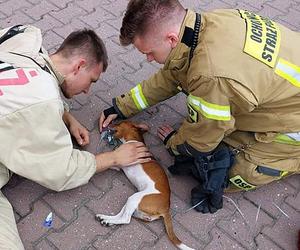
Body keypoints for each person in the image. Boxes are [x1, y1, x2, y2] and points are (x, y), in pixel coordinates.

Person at [99, 0, 300, 214]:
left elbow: (203, 136)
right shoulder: (207, 24)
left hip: (292, 125)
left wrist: (174, 144)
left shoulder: (211, 75)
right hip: (280, 95)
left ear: (171, 39)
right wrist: (121, 106)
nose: (148, 59)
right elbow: (172, 75)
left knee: (226, 171)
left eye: (149, 52)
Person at [0, 25, 151, 249]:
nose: (88, 91)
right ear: (79, 66)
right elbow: (60, 171)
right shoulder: (44, 101)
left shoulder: (21, 37)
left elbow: (22, 91)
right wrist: (114, 158)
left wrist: (66, 116)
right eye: (92, 80)